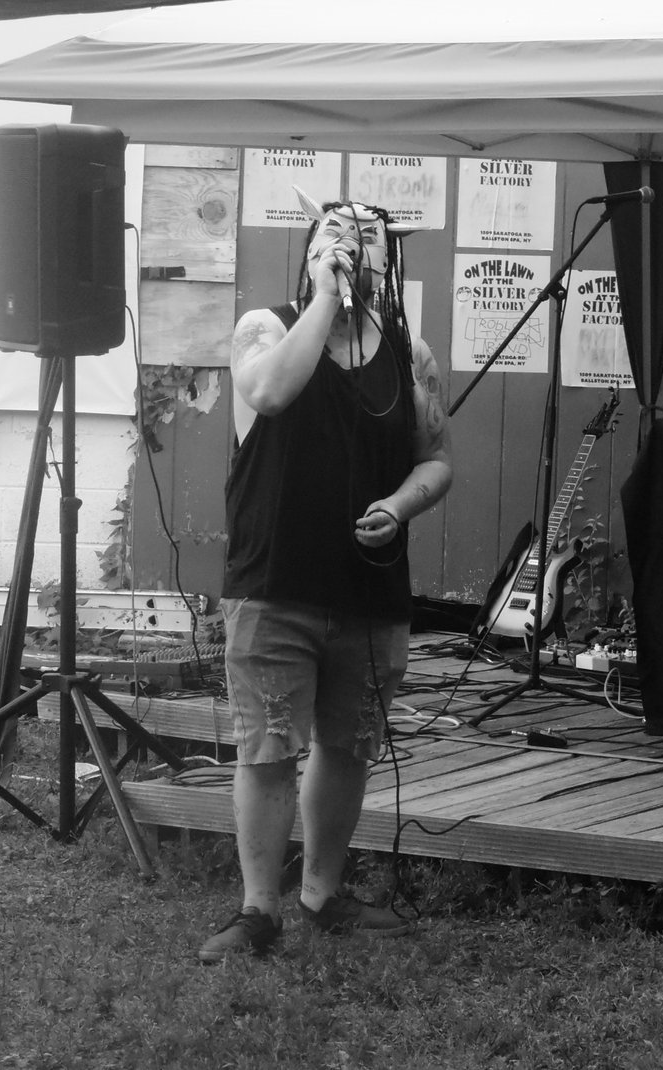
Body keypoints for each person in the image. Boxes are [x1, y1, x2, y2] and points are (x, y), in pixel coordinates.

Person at [198, 189, 453, 962]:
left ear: (388, 258)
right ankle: (258, 910)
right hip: (277, 579)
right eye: (335, 233)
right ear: (310, 250)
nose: (351, 246)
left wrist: (400, 506)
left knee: (349, 745)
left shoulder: (409, 351)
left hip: (369, 588)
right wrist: (322, 298)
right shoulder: (267, 327)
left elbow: (436, 460)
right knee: (269, 747)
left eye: (367, 236)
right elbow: (270, 392)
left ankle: (322, 892)